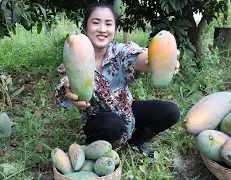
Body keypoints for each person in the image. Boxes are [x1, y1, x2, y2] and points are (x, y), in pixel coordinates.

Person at [54, 1, 180, 158]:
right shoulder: (75, 55)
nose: (102, 29)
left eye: (108, 23)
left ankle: (135, 142)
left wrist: (157, 60)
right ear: (85, 28)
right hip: (98, 121)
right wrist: (68, 88)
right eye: (95, 22)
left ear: (114, 29)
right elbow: (67, 81)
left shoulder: (119, 51)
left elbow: (138, 59)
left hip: (125, 111)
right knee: (111, 124)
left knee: (170, 112)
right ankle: (101, 151)